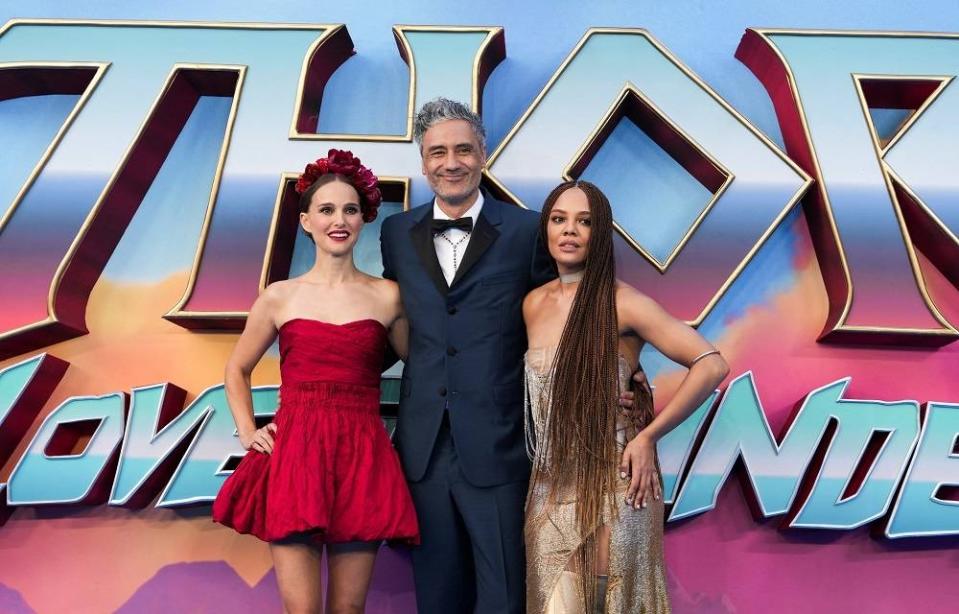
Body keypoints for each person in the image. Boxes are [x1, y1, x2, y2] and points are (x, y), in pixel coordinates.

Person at [379, 98, 644, 613]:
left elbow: (579, 310)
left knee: (504, 594)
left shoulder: (527, 230)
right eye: (437, 152)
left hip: (503, 441)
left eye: (462, 149)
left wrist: (629, 378)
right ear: (422, 160)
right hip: (422, 444)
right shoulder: (395, 232)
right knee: (436, 593)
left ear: (484, 153)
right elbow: (400, 320)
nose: (450, 162)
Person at [212, 149, 419, 614]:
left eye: (349, 209)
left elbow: (424, 368)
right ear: (306, 221)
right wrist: (248, 430)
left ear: (364, 218)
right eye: (326, 210)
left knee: (348, 610)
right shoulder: (279, 297)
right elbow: (236, 368)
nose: (338, 220)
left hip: (361, 454)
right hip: (295, 455)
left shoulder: (389, 297)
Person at [523, 180, 729, 614]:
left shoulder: (625, 303)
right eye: (559, 220)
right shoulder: (532, 304)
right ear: (545, 229)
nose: (570, 231)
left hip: (616, 480)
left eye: (585, 222)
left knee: (611, 603)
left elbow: (711, 364)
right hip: (549, 482)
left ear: (602, 233)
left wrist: (647, 436)